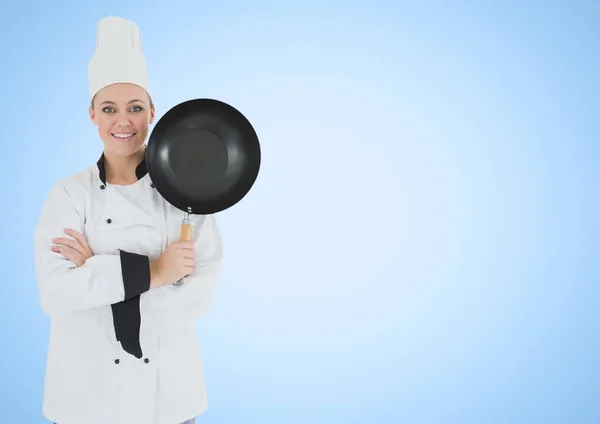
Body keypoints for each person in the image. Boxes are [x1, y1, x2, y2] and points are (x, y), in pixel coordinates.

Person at [33, 16, 223, 424]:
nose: (123, 121)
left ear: (152, 112)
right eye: (109, 109)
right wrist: (156, 272)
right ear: (92, 115)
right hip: (84, 396)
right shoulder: (68, 195)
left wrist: (95, 271)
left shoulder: (188, 197)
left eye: (135, 108)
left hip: (168, 400)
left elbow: (197, 298)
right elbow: (56, 295)